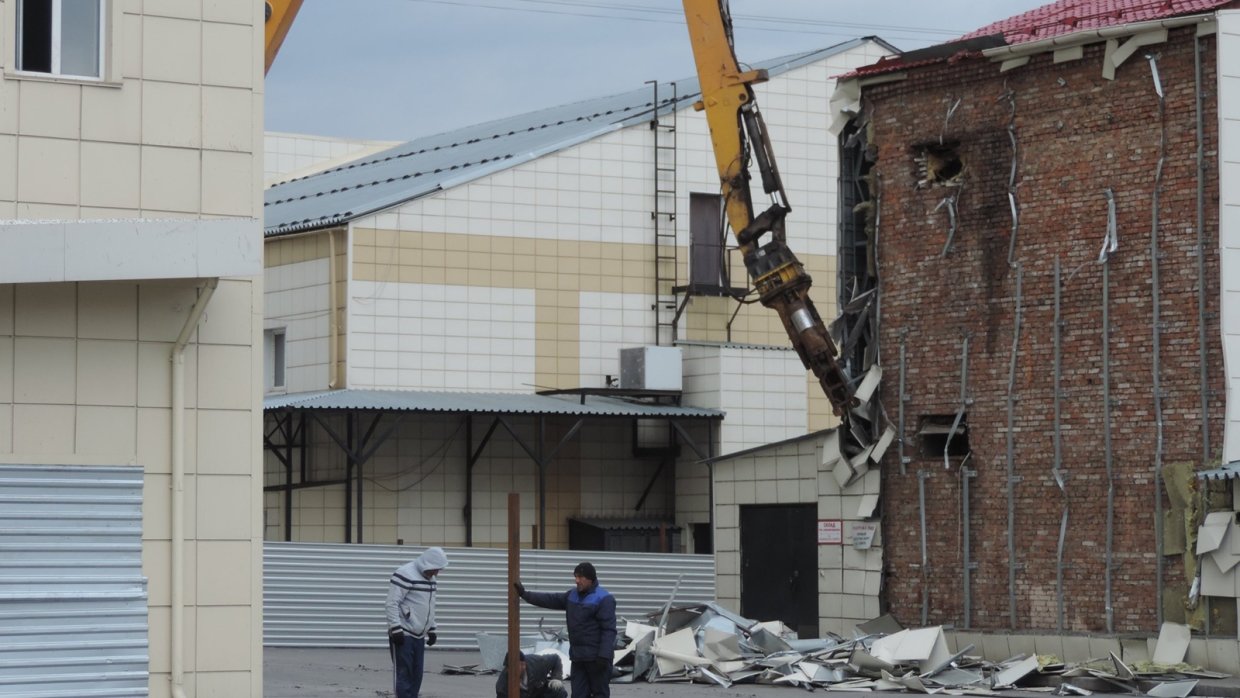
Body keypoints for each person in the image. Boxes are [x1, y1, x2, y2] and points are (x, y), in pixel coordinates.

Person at [514, 562, 616, 698]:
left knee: (600, 694)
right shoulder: (572, 596)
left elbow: (608, 630)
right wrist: (524, 594)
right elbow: (549, 599)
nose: (576, 580)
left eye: (580, 577)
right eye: (575, 576)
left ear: (590, 579)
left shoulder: (604, 598)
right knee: (578, 695)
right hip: (578, 658)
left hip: (597, 660)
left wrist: (604, 655)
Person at [385, 546, 449, 698]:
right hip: (404, 633)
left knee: (416, 675)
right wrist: (395, 628)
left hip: (419, 634)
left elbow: (429, 605)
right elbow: (391, 602)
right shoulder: (405, 573)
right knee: (403, 673)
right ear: (428, 564)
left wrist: (432, 628)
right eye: (436, 569)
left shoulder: (431, 579)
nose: (437, 573)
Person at [496, 650, 568, 698]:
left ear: (524, 664)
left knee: (559, 691)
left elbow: (555, 659)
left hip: (540, 694)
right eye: (515, 666)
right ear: (508, 668)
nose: (520, 668)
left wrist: (556, 678)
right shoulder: (502, 686)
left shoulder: (537, 662)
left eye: (522, 664)